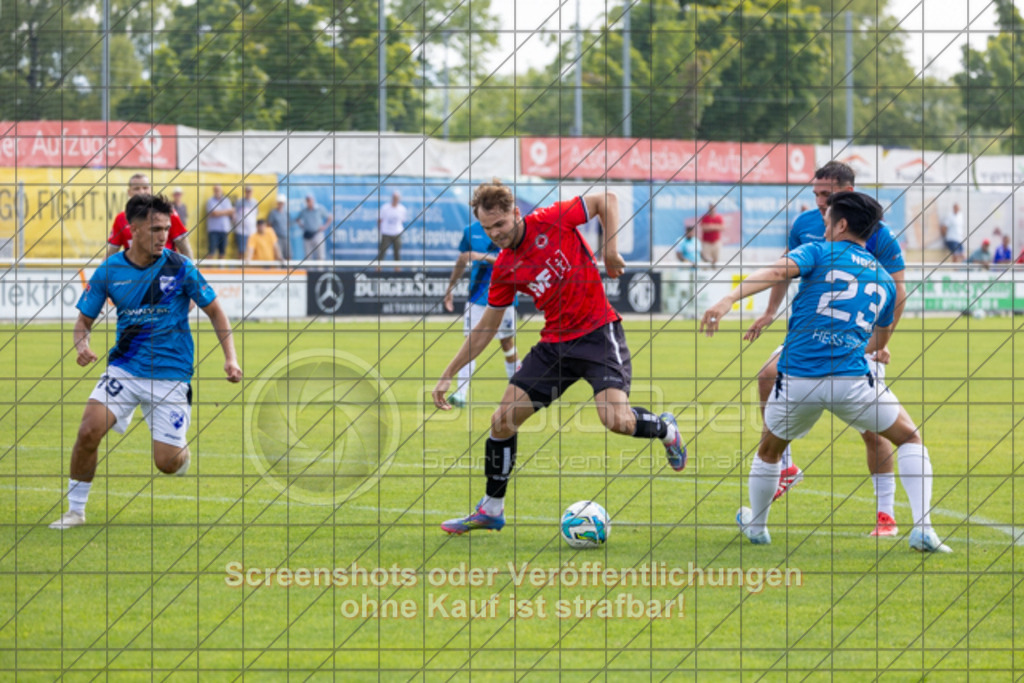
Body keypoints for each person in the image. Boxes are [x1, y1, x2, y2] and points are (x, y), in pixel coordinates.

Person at [701, 191, 951, 554]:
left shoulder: (817, 252)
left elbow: (775, 271)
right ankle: (924, 529)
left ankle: (757, 527)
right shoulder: (883, 279)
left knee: (770, 451)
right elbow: (878, 342)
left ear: (842, 224)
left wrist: (729, 299)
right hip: (851, 381)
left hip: (798, 382)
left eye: (826, 219)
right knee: (909, 438)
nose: (823, 226)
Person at [431, 180, 687, 535]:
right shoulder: (505, 267)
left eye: (500, 225)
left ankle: (666, 430)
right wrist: (449, 373)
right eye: (487, 229)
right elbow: (486, 328)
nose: (495, 234)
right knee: (502, 421)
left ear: (515, 213)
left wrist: (610, 251)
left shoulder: (550, 219)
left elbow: (606, 200)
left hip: (598, 333)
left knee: (616, 421)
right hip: (555, 345)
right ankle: (491, 510)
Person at [50, 193, 242, 530]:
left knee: (166, 463)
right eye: (155, 229)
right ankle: (75, 511)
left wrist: (231, 358)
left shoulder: (180, 267)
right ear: (133, 230)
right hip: (125, 369)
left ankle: (180, 454)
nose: (163, 235)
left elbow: (215, 311)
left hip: (170, 375)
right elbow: (83, 322)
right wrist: (83, 345)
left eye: (166, 228)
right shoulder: (110, 270)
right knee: (87, 432)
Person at [744, 161, 908, 537]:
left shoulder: (877, 233)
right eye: (815, 193)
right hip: (811, 327)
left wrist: (882, 343)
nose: (818, 202)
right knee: (768, 374)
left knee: (874, 430)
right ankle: (784, 464)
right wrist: (770, 311)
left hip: (857, 335)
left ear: (846, 195)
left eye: (825, 195)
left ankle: (885, 513)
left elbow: (897, 291)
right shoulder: (806, 224)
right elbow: (787, 269)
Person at [441, 219, 518, 407]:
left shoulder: (510, 228)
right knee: (470, 342)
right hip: (477, 297)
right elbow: (463, 259)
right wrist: (450, 287)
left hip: (505, 294)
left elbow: (512, 261)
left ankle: (518, 389)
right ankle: (460, 394)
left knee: (507, 343)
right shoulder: (470, 231)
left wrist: (480, 256)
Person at [107, 173, 193, 259]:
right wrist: (101, 271)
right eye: (137, 188)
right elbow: (111, 252)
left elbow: (184, 247)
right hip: (137, 270)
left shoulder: (168, 214)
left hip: (165, 269)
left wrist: (191, 271)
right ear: (129, 192)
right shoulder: (120, 219)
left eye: (145, 188)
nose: (141, 192)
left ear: (150, 190)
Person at [296, 194, 331, 261]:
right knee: (308, 255)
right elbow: (297, 219)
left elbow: (329, 217)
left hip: (318, 234)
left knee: (320, 255)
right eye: (307, 201)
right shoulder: (304, 211)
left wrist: (325, 226)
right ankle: (310, 271)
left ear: (313, 200)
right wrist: (302, 226)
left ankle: (320, 271)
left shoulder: (320, 209)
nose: (309, 202)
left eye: (310, 200)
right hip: (307, 235)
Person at [378, 191, 409, 264]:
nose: (395, 199)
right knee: (382, 252)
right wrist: (381, 230)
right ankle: (378, 270)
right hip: (386, 233)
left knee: (397, 252)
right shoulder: (385, 208)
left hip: (396, 233)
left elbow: (402, 221)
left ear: (399, 199)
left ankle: (397, 271)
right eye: (394, 198)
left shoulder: (402, 209)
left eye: (397, 198)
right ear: (392, 198)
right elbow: (379, 220)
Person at [205, 185, 235, 259]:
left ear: (221, 190)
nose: (217, 191)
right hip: (213, 230)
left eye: (218, 190)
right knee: (211, 252)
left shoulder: (226, 200)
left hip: (224, 229)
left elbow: (232, 212)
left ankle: (221, 270)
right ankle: (208, 270)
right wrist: (226, 212)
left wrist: (219, 212)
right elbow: (214, 213)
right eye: (216, 190)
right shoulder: (210, 201)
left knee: (222, 252)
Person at [233, 185, 259, 259]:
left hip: (252, 231)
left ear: (252, 192)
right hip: (241, 231)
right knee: (241, 251)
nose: (248, 193)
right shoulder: (239, 202)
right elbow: (234, 214)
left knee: (251, 250)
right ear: (245, 192)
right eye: (247, 191)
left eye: (250, 191)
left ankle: (248, 268)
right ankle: (239, 268)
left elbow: (255, 215)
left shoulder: (255, 202)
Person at [697, 202, 724, 267]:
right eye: (710, 207)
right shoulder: (705, 217)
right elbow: (703, 228)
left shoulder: (719, 217)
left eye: (713, 207)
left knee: (716, 260)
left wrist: (710, 226)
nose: (712, 209)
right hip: (707, 243)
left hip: (716, 242)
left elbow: (722, 227)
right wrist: (715, 227)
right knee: (706, 260)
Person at [267, 193, 291, 261]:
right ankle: (278, 271)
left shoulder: (286, 213)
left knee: (288, 255)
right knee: (278, 256)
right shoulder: (273, 213)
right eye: (279, 203)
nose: (280, 204)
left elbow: (287, 223)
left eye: (282, 203)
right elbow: (269, 225)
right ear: (277, 203)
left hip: (286, 237)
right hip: (277, 238)